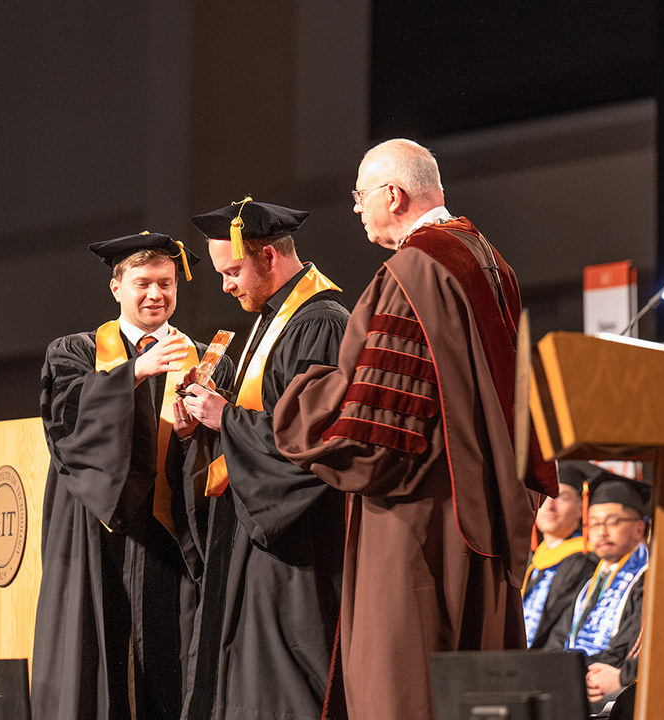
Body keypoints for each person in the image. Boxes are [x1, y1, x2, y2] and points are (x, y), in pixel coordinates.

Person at [272, 138, 558, 719]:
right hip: (486, 508)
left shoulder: (413, 271)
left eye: (359, 195)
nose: (355, 209)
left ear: (393, 193)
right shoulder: (488, 259)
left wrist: (297, 400)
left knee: (406, 677)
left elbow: (377, 429)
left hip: (421, 513)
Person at [32, 231, 222, 720]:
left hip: (171, 537)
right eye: (142, 283)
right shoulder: (74, 352)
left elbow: (215, 453)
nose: (155, 294)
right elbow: (66, 427)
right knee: (99, 670)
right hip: (98, 534)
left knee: (170, 669)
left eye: (166, 283)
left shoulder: (199, 358)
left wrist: (187, 436)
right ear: (116, 287)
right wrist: (134, 372)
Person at [178, 198, 349, 720]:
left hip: (295, 545)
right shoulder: (275, 320)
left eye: (233, 271)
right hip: (256, 534)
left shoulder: (320, 323)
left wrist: (223, 418)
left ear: (269, 256)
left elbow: (312, 440)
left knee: (286, 687)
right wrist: (206, 418)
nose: (226, 285)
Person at [542, 472, 649, 711]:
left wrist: (619, 676)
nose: (601, 531)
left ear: (638, 529)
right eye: (595, 523)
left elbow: (630, 645)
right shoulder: (589, 584)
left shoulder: (647, 579)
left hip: (617, 689)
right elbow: (558, 639)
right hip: (578, 681)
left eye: (613, 522)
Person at [523, 461, 598, 649]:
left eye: (560, 497)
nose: (549, 506)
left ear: (582, 507)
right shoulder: (533, 560)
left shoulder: (585, 562)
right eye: (543, 497)